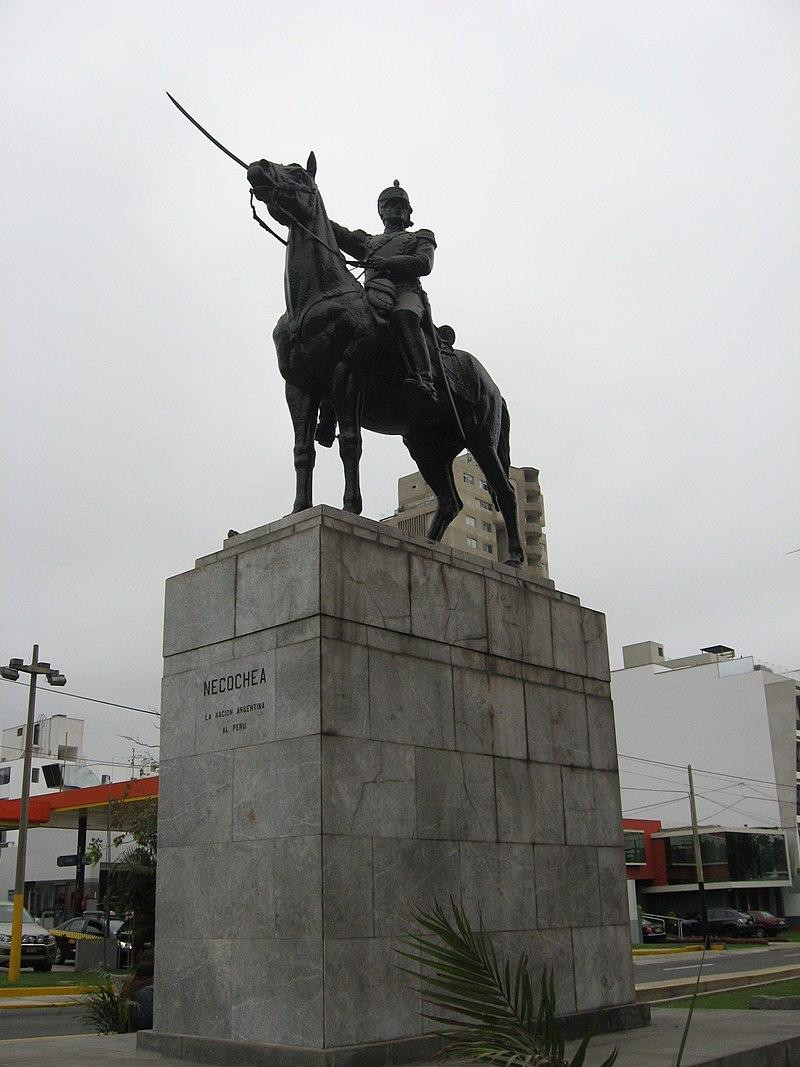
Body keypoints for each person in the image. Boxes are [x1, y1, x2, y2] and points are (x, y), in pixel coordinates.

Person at [330, 181, 439, 403]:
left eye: (402, 206)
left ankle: (424, 378)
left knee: (404, 315)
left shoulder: (420, 236)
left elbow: (424, 263)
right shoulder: (367, 241)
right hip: (372, 294)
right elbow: (337, 233)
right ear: (382, 212)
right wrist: (310, 205)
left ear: (408, 212)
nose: (397, 208)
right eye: (391, 205)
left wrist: (389, 263)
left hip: (406, 292)